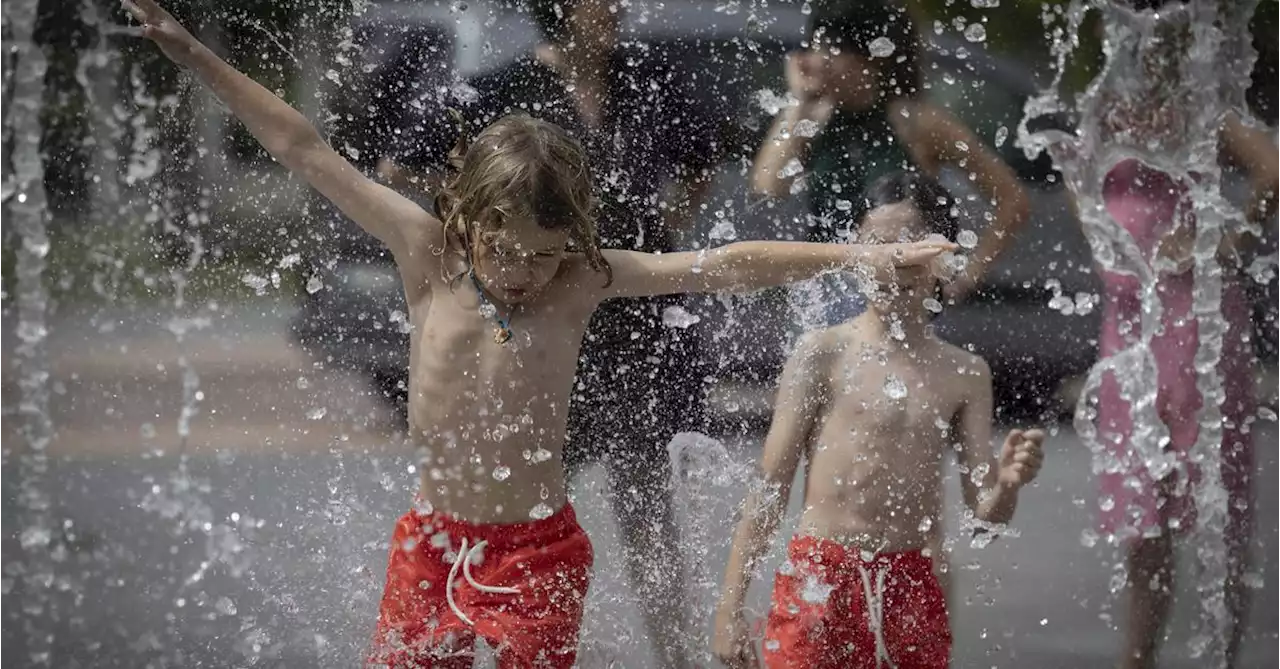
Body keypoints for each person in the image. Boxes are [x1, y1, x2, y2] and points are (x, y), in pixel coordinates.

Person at [121, 2, 957, 666]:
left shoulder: (580, 278)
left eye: (545, 255)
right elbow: (302, 146)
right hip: (433, 541)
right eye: (506, 249)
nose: (523, 271)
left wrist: (859, 254)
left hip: (540, 552)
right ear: (465, 215)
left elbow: (724, 262)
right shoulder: (429, 255)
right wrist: (194, 55)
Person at [380, 3, 728, 664]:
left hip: (628, 321)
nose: (618, 8)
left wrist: (670, 223)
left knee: (648, 512)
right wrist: (477, 218)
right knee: (519, 499)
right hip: (537, 321)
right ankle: (496, 621)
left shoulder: (647, 76)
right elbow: (403, 167)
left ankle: (675, 657)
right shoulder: (500, 87)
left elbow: (703, 159)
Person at [712, 172, 1045, 669]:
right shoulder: (822, 354)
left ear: (943, 256)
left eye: (911, 243)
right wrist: (729, 608)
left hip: (914, 585)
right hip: (820, 580)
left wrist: (1011, 484)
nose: (895, 259)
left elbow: (985, 513)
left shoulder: (964, 373)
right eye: (878, 244)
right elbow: (770, 488)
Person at [1075, 3, 1280, 667]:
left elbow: (1274, 168)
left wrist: (1228, 237)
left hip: (1196, 328)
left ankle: (1221, 653)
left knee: (1213, 506)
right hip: (1127, 328)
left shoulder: (1202, 111)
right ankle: (1138, 659)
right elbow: (1085, 196)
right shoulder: (1100, 111)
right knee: (1142, 518)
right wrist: (1105, 251)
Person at [751, 0, 1029, 322]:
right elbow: (767, 187)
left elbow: (1013, 201)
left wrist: (965, 277)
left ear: (868, 58)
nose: (814, 62)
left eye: (829, 49)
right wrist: (799, 101)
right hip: (823, 293)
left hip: (898, 297)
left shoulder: (917, 122)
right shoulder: (813, 117)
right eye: (813, 47)